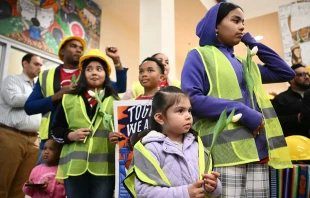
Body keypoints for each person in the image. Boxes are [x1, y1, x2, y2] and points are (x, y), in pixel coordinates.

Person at [181, 2, 294, 197]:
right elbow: (191, 99)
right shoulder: (199, 55)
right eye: (235, 20)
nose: (242, 26)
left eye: (243, 22)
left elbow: (285, 72)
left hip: (257, 152)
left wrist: (250, 41)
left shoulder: (244, 63)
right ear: (215, 26)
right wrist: (243, 112)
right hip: (224, 156)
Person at [24, 36, 128, 164]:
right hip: (51, 138)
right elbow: (29, 107)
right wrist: (58, 95)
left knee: (71, 180)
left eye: (81, 48)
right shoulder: (46, 75)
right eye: (73, 46)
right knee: (44, 178)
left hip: (81, 137)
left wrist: (116, 60)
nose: (78, 50)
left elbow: (120, 87)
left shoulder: (88, 74)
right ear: (62, 51)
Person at [122, 86, 222, 198]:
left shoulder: (196, 145)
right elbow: (144, 192)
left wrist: (213, 187)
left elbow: (206, 189)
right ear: (160, 118)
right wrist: (185, 193)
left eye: (189, 110)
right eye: (180, 111)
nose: (188, 116)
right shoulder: (151, 148)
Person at [52, 49, 119, 198]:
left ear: (106, 75)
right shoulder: (68, 99)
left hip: (104, 168)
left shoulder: (116, 102)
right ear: (83, 74)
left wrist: (117, 138)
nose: (94, 72)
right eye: (89, 69)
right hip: (74, 167)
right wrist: (71, 135)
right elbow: (55, 129)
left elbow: (124, 136)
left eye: (99, 69)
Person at [0, 53, 42, 198]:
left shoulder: (38, 87)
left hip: (33, 141)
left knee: (21, 189)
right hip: (11, 136)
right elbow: (14, 100)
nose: (40, 67)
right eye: (36, 64)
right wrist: (42, 97)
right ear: (25, 64)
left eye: (41, 65)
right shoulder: (12, 79)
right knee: (2, 184)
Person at [272, 64, 310, 137]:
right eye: (302, 74)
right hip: (296, 142)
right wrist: (297, 118)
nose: (307, 77)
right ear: (291, 79)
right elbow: (273, 122)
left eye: (307, 74)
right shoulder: (281, 99)